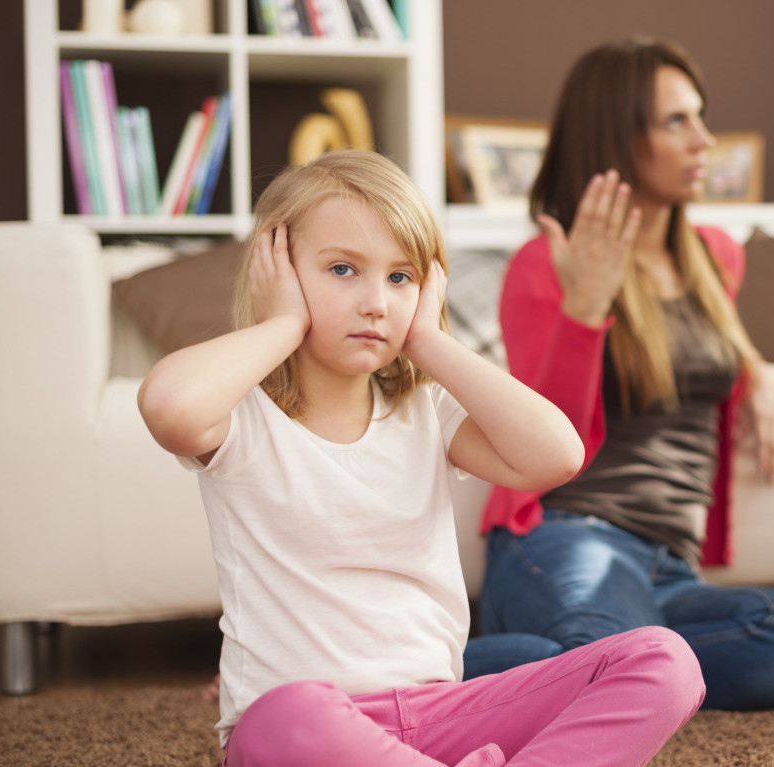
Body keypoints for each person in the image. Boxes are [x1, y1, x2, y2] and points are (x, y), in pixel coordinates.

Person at [138, 149, 706, 766]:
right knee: (282, 715)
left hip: (440, 714)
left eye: (400, 277)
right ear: (276, 271)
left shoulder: (426, 411)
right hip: (310, 731)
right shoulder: (244, 417)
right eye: (342, 270)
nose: (376, 302)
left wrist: (429, 339)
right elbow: (169, 406)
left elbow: (557, 456)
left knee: (664, 660)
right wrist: (283, 323)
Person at [472, 39, 774, 711]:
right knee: (619, 648)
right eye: (677, 122)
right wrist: (586, 306)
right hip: (566, 534)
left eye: (701, 117)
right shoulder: (544, 265)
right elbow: (542, 442)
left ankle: (587, 664)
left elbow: (703, 349)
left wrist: (754, 367)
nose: (705, 140)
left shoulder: (715, 257)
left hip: (669, 566)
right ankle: (408, 668)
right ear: (616, 137)